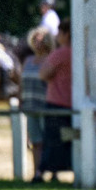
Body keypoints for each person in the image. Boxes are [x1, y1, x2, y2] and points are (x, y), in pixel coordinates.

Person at [38, 18, 72, 181]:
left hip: (56, 102)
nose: (57, 35)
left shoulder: (60, 53)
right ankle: (56, 173)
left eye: (60, 32)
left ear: (66, 34)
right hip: (72, 104)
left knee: (51, 140)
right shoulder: (78, 52)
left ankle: (41, 173)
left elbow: (43, 74)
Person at [21, 27, 54, 184]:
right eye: (35, 39)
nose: (37, 42)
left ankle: (51, 171)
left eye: (40, 39)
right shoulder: (28, 61)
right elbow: (22, 83)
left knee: (48, 141)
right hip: (30, 105)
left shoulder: (50, 59)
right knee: (36, 141)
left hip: (45, 104)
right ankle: (37, 173)